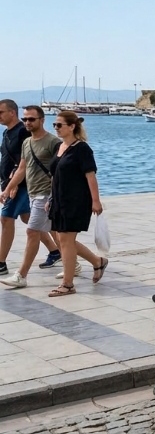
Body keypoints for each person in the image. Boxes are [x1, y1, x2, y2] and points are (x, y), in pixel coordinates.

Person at [0, 105, 64, 288]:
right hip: (27, 190)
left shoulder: (36, 137)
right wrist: (7, 186)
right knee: (41, 224)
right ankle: (64, 255)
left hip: (36, 190)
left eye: (31, 119)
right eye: (26, 119)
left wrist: (15, 185)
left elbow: (55, 168)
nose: (27, 122)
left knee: (15, 223)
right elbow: (20, 165)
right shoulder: (16, 137)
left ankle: (11, 269)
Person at [46, 111, 106, 297]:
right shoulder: (60, 147)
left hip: (76, 201)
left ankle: (68, 284)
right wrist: (50, 198)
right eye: (54, 125)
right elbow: (55, 176)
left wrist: (96, 201)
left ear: (72, 126)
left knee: (65, 240)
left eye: (59, 125)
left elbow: (90, 176)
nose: (56, 128)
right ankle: (98, 262)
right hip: (59, 201)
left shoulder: (82, 149)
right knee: (63, 239)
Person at [0, 99, 31, 276]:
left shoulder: (22, 132)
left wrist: (14, 185)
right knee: (29, 219)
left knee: (5, 219)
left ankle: (1, 263)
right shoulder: (6, 133)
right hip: (9, 183)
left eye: (0, 112)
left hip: (20, 184)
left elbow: (23, 162)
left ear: (12, 112)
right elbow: (6, 156)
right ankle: (55, 251)